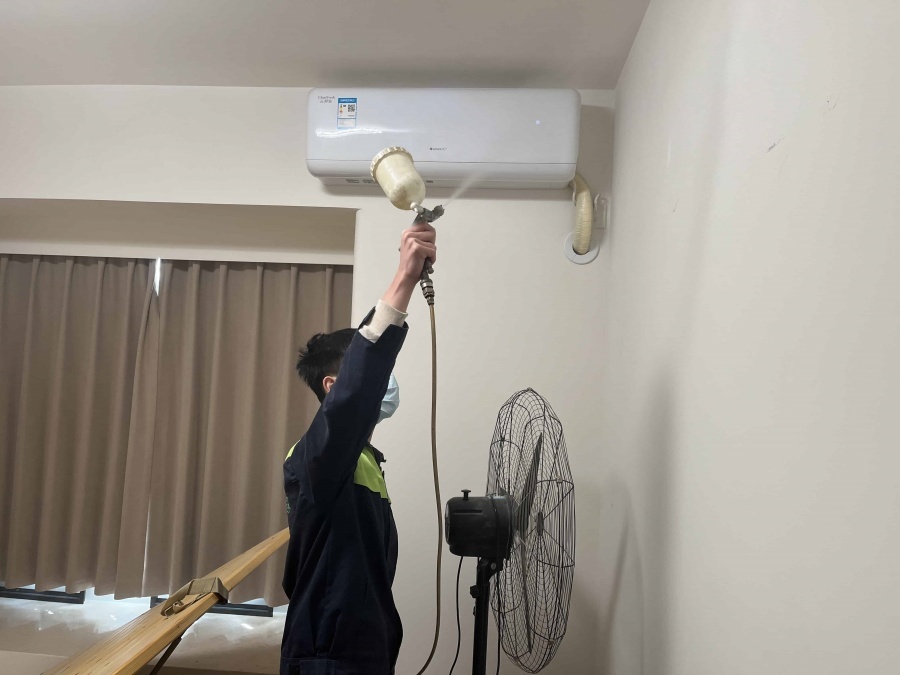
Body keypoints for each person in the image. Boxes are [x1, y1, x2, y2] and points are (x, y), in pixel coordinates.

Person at [280, 219, 438, 675]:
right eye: (374, 375)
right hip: (328, 654)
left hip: (365, 646)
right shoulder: (317, 457)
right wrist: (404, 278)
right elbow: (355, 395)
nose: (384, 383)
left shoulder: (364, 460)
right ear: (335, 387)